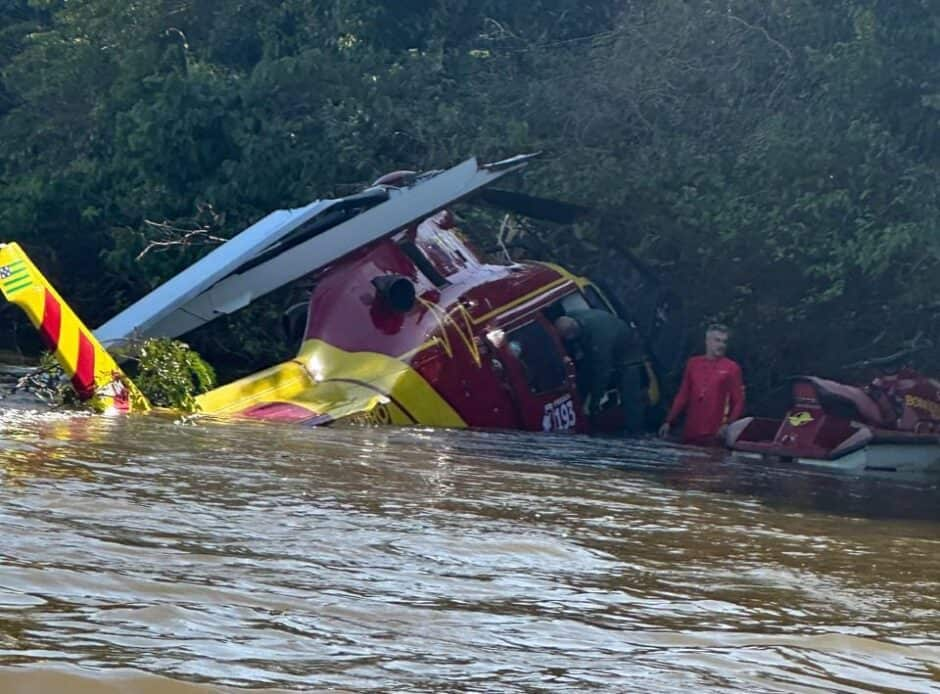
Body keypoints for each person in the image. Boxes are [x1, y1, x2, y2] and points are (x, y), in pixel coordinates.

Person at [554, 309, 646, 432]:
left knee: (630, 396)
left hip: (628, 355)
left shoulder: (599, 338)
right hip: (603, 344)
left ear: (572, 334)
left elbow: (603, 372)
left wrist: (594, 402)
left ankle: (635, 432)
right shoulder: (573, 316)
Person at [658, 323, 745, 445]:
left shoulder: (732, 368)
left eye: (724, 342)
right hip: (690, 431)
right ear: (707, 341)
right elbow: (683, 395)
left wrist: (728, 425)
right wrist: (669, 421)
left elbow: (738, 401)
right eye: (717, 340)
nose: (721, 345)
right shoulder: (693, 363)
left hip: (715, 433)